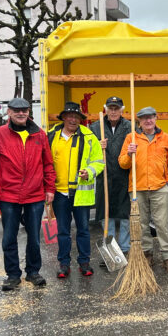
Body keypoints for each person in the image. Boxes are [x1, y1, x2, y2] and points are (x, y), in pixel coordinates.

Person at [0, 97, 55, 291]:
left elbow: (48, 164)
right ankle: (13, 275)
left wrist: (50, 188)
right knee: (9, 236)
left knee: (33, 236)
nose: (21, 113)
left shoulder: (40, 135)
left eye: (24, 110)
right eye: (16, 110)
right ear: (9, 112)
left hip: (34, 194)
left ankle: (33, 272)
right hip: (8, 195)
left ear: (28, 112)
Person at [119, 106, 168, 273]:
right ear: (139, 121)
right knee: (142, 224)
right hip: (137, 188)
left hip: (160, 188)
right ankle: (147, 254)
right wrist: (129, 154)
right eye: (144, 118)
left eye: (151, 117)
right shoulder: (131, 138)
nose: (148, 120)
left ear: (155, 118)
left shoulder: (165, 138)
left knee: (162, 224)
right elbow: (122, 163)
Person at [48, 101, 104, 278]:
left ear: (80, 119)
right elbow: (45, 164)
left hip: (81, 193)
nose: (73, 119)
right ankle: (64, 264)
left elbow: (98, 161)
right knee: (63, 231)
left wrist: (89, 171)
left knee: (83, 230)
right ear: (63, 117)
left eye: (76, 117)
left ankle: (84, 262)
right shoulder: (51, 137)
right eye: (70, 116)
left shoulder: (89, 137)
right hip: (59, 193)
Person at [90, 97, 132, 267]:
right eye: (110, 108)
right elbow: (88, 152)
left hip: (124, 176)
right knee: (105, 216)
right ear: (105, 109)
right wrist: (97, 147)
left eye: (117, 108)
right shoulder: (95, 127)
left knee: (124, 216)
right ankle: (111, 250)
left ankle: (124, 249)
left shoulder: (129, 127)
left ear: (122, 110)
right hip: (104, 177)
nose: (113, 112)